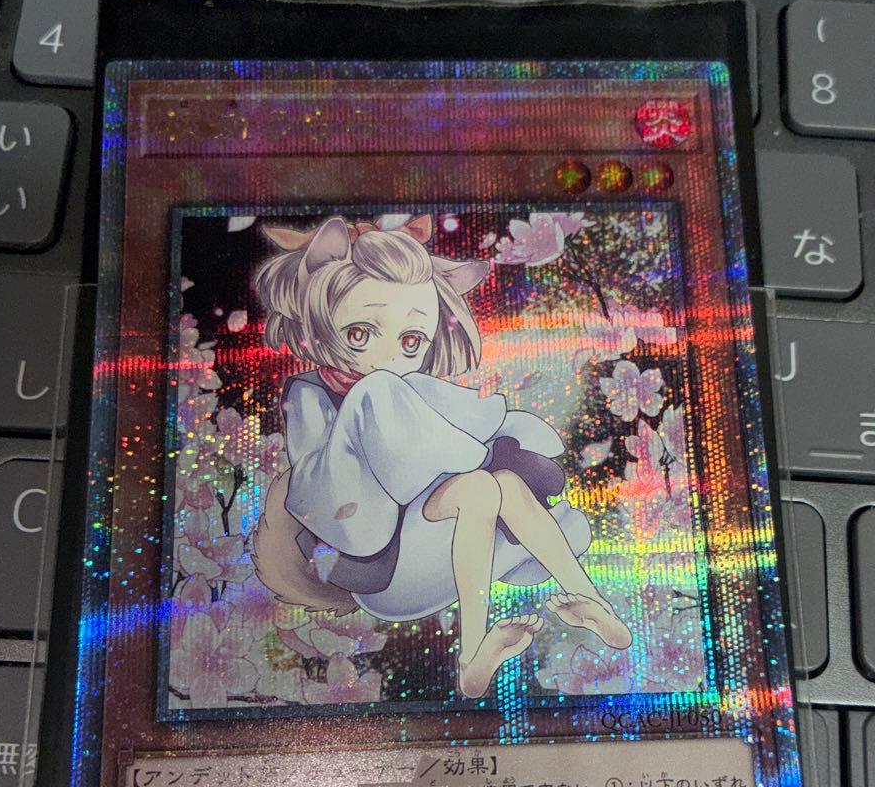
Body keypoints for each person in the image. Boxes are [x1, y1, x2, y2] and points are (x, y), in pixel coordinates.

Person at [252, 213, 631, 699]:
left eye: (411, 341)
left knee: (500, 486)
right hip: (385, 565)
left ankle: (577, 607)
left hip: (441, 547)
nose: (389, 355)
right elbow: (321, 491)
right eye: (360, 334)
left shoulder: (413, 389)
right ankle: (479, 644)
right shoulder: (313, 394)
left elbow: (478, 428)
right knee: (391, 404)